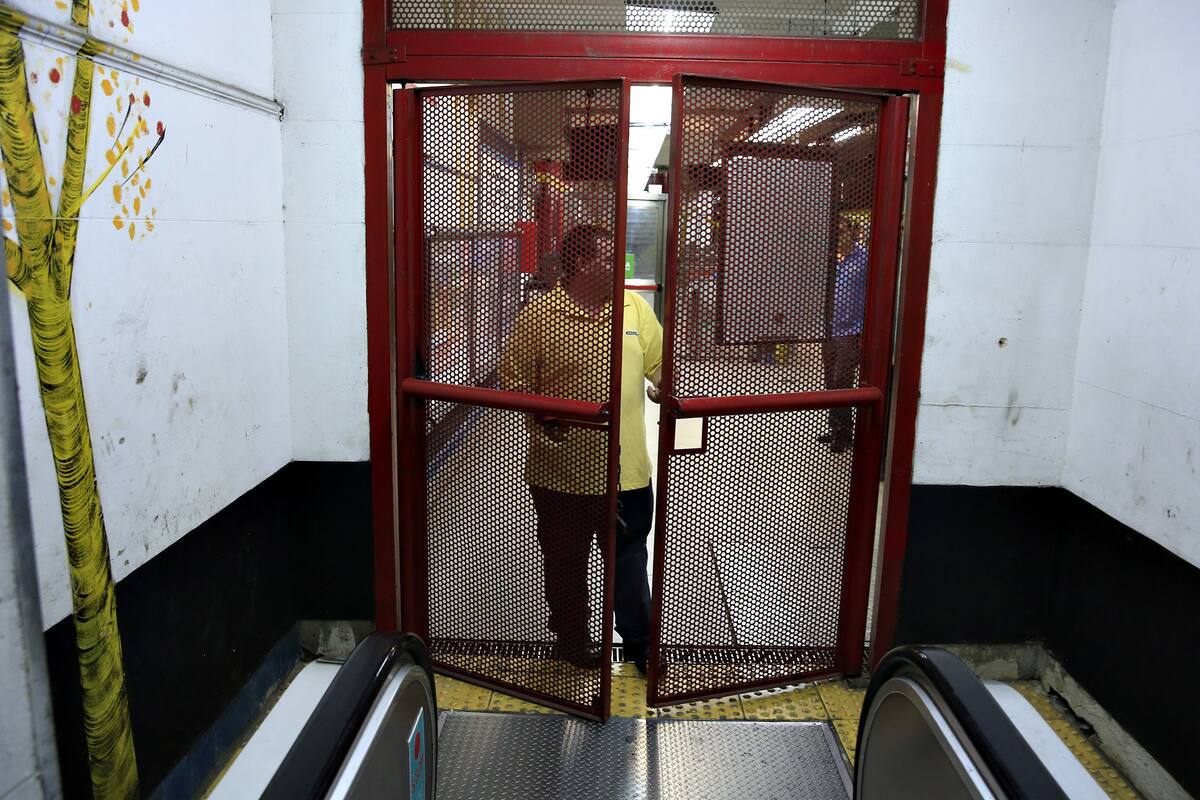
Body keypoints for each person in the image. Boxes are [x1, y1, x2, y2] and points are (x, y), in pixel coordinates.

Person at [499, 224, 663, 674]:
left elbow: (660, 366)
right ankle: (572, 639)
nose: (617, 265)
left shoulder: (633, 309)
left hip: (626, 470)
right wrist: (545, 420)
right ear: (579, 263)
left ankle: (641, 643)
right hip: (561, 471)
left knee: (629, 559)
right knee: (566, 564)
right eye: (606, 256)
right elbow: (513, 384)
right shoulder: (539, 316)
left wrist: (662, 389)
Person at [820, 220, 869, 453]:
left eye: (842, 230)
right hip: (828, 331)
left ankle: (844, 434)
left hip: (850, 332)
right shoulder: (830, 260)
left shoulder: (864, 259)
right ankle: (835, 428)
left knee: (843, 383)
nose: (839, 235)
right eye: (836, 231)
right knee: (831, 383)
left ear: (853, 232)